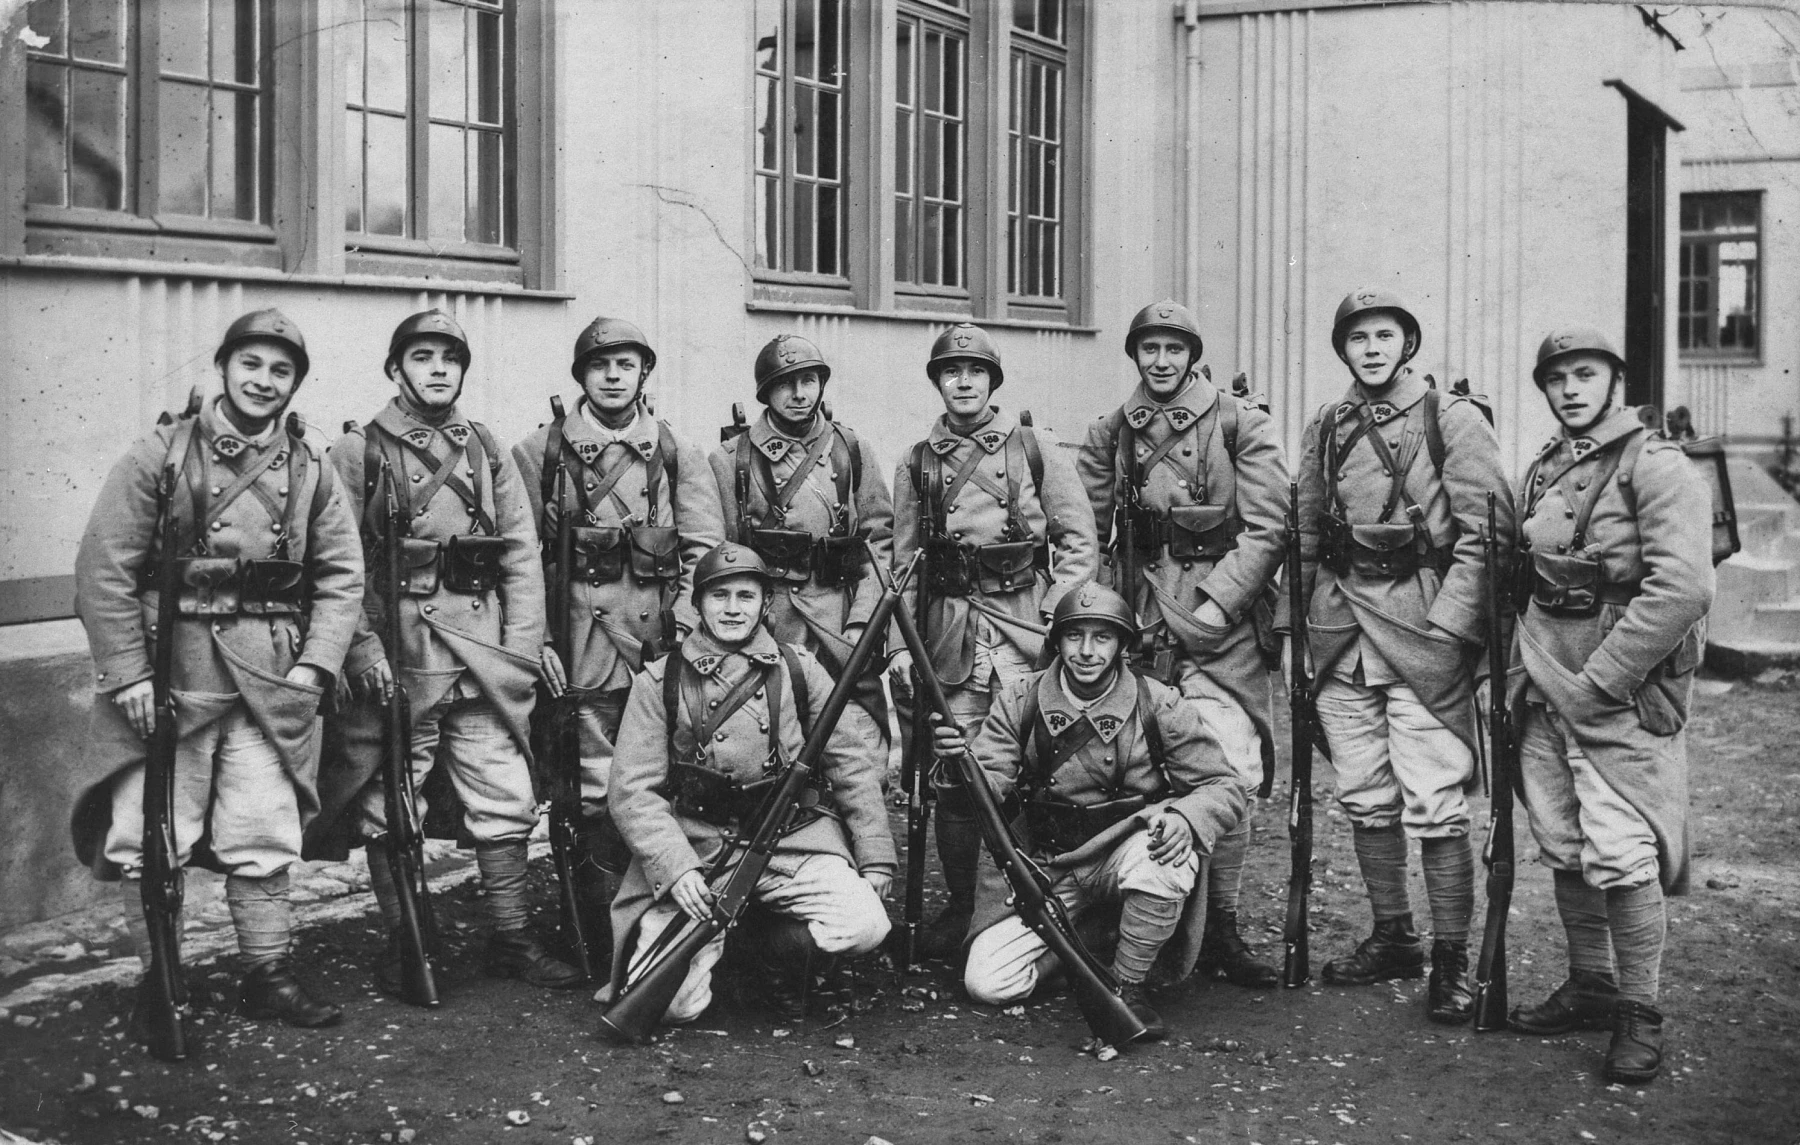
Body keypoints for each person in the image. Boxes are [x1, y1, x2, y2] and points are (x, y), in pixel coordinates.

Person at [72, 309, 362, 1034]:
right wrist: (130, 676)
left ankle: (268, 972)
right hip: (174, 679)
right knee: (156, 832)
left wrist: (316, 667)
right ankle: (159, 980)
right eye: (252, 365)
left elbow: (340, 576)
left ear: (296, 382)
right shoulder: (162, 456)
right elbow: (103, 571)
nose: (264, 382)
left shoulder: (310, 465)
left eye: (281, 370)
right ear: (225, 367)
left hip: (270, 683)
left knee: (263, 833)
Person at [311, 308, 582, 993]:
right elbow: (337, 562)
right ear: (396, 369)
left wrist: (522, 648)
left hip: (483, 655)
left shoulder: (485, 446)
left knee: (507, 797)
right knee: (389, 806)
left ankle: (512, 937)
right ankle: (407, 942)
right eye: (422, 356)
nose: (437, 369)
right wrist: (363, 651)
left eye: (449, 358)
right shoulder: (359, 451)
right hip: (401, 659)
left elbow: (521, 552)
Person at [1289, 288, 1514, 1024]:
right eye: (1358, 338)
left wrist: (1452, 627)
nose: (1373, 348)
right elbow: (1307, 536)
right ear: (1343, 348)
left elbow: (1486, 532)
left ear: (1407, 343)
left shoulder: (1451, 419)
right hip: (1342, 633)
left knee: (1435, 800)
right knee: (1363, 791)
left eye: (1386, 334)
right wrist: (1305, 627)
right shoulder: (1326, 424)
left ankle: (1451, 958)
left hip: (1423, 632)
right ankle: (1393, 934)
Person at [1506, 327, 1713, 1085]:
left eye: (1584, 373)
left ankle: (1640, 1008)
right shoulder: (1544, 468)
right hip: (1544, 677)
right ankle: (1591, 982)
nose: (1569, 388)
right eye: (1555, 376)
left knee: (1623, 850)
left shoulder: (1654, 464)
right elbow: (1523, 578)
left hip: (1619, 688)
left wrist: (1605, 678)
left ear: (1614, 381)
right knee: (1564, 840)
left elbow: (1684, 587)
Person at [1076, 299, 1290, 988]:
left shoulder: (1240, 423)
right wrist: (1100, 614)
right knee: (1146, 765)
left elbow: (1266, 530)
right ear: (1134, 354)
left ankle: (1222, 927)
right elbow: (1090, 531)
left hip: (1222, 627)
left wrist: (1214, 603)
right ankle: (1153, 916)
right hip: (1143, 621)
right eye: (1149, 349)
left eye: (1174, 348)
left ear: (1192, 354)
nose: (1161, 361)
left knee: (1230, 765)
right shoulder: (1112, 431)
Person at [603, 543, 896, 1026]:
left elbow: (852, 764)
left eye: (746, 595)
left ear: (766, 604)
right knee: (675, 1008)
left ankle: (769, 950)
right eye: (719, 596)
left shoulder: (799, 668)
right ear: (696, 604)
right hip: (699, 850)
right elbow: (632, 792)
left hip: (788, 841)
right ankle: (726, 953)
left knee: (866, 923)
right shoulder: (660, 680)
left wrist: (875, 852)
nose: (733, 608)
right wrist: (676, 870)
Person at [936, 583, 1245, 1037]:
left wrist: (1185, 816)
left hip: (1125, 853)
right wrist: (957, 765)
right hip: (1048, 865)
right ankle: (1094, 941)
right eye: (1074, 636)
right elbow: (990, 786)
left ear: (1122, 644)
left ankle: (1127, 985)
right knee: (989, 983)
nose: (1085, 652)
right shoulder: (1022, 699)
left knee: (1168, 854)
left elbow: (1223, 784)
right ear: (1056, 641)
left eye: (1101, 637)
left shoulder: (1157, 702)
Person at [512, 317, 724, 942]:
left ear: (642, 374)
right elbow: (522, 557)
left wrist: (686, 627)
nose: (612, 376)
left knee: (660, 780)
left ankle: (657, 919)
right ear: (581, 375)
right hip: (578, 650)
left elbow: (704, 549)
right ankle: (592, 932)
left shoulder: (672, 450)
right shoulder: (540, 452)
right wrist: (538, 641)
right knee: (582, 791)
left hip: (655, 647)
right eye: (600, 365)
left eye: (625, 365)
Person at [890, 322, 1097, 957]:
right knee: (955, 771)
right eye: (951, 372)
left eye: (975, 372)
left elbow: (1078, 543)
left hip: (1023, 630)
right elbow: (900, 566)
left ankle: (1025, 896)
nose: (963, 382)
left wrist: (1058, 624)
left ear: (992, 381)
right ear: (937, 382)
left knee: (1030, 767)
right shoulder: (916, 461)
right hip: (950, 634)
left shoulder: (1032, 449)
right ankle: (960, 904)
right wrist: (902, 646)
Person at [709, 333, 893, 747]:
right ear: (765, 392)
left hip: (840, 623)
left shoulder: (851, 449)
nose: (798, 394)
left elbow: (880, 543)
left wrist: (864, 620)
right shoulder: (730, 459)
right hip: (772, 625)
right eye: (785, 383)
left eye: (809, 381)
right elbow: (723, 552)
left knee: (858, 743)